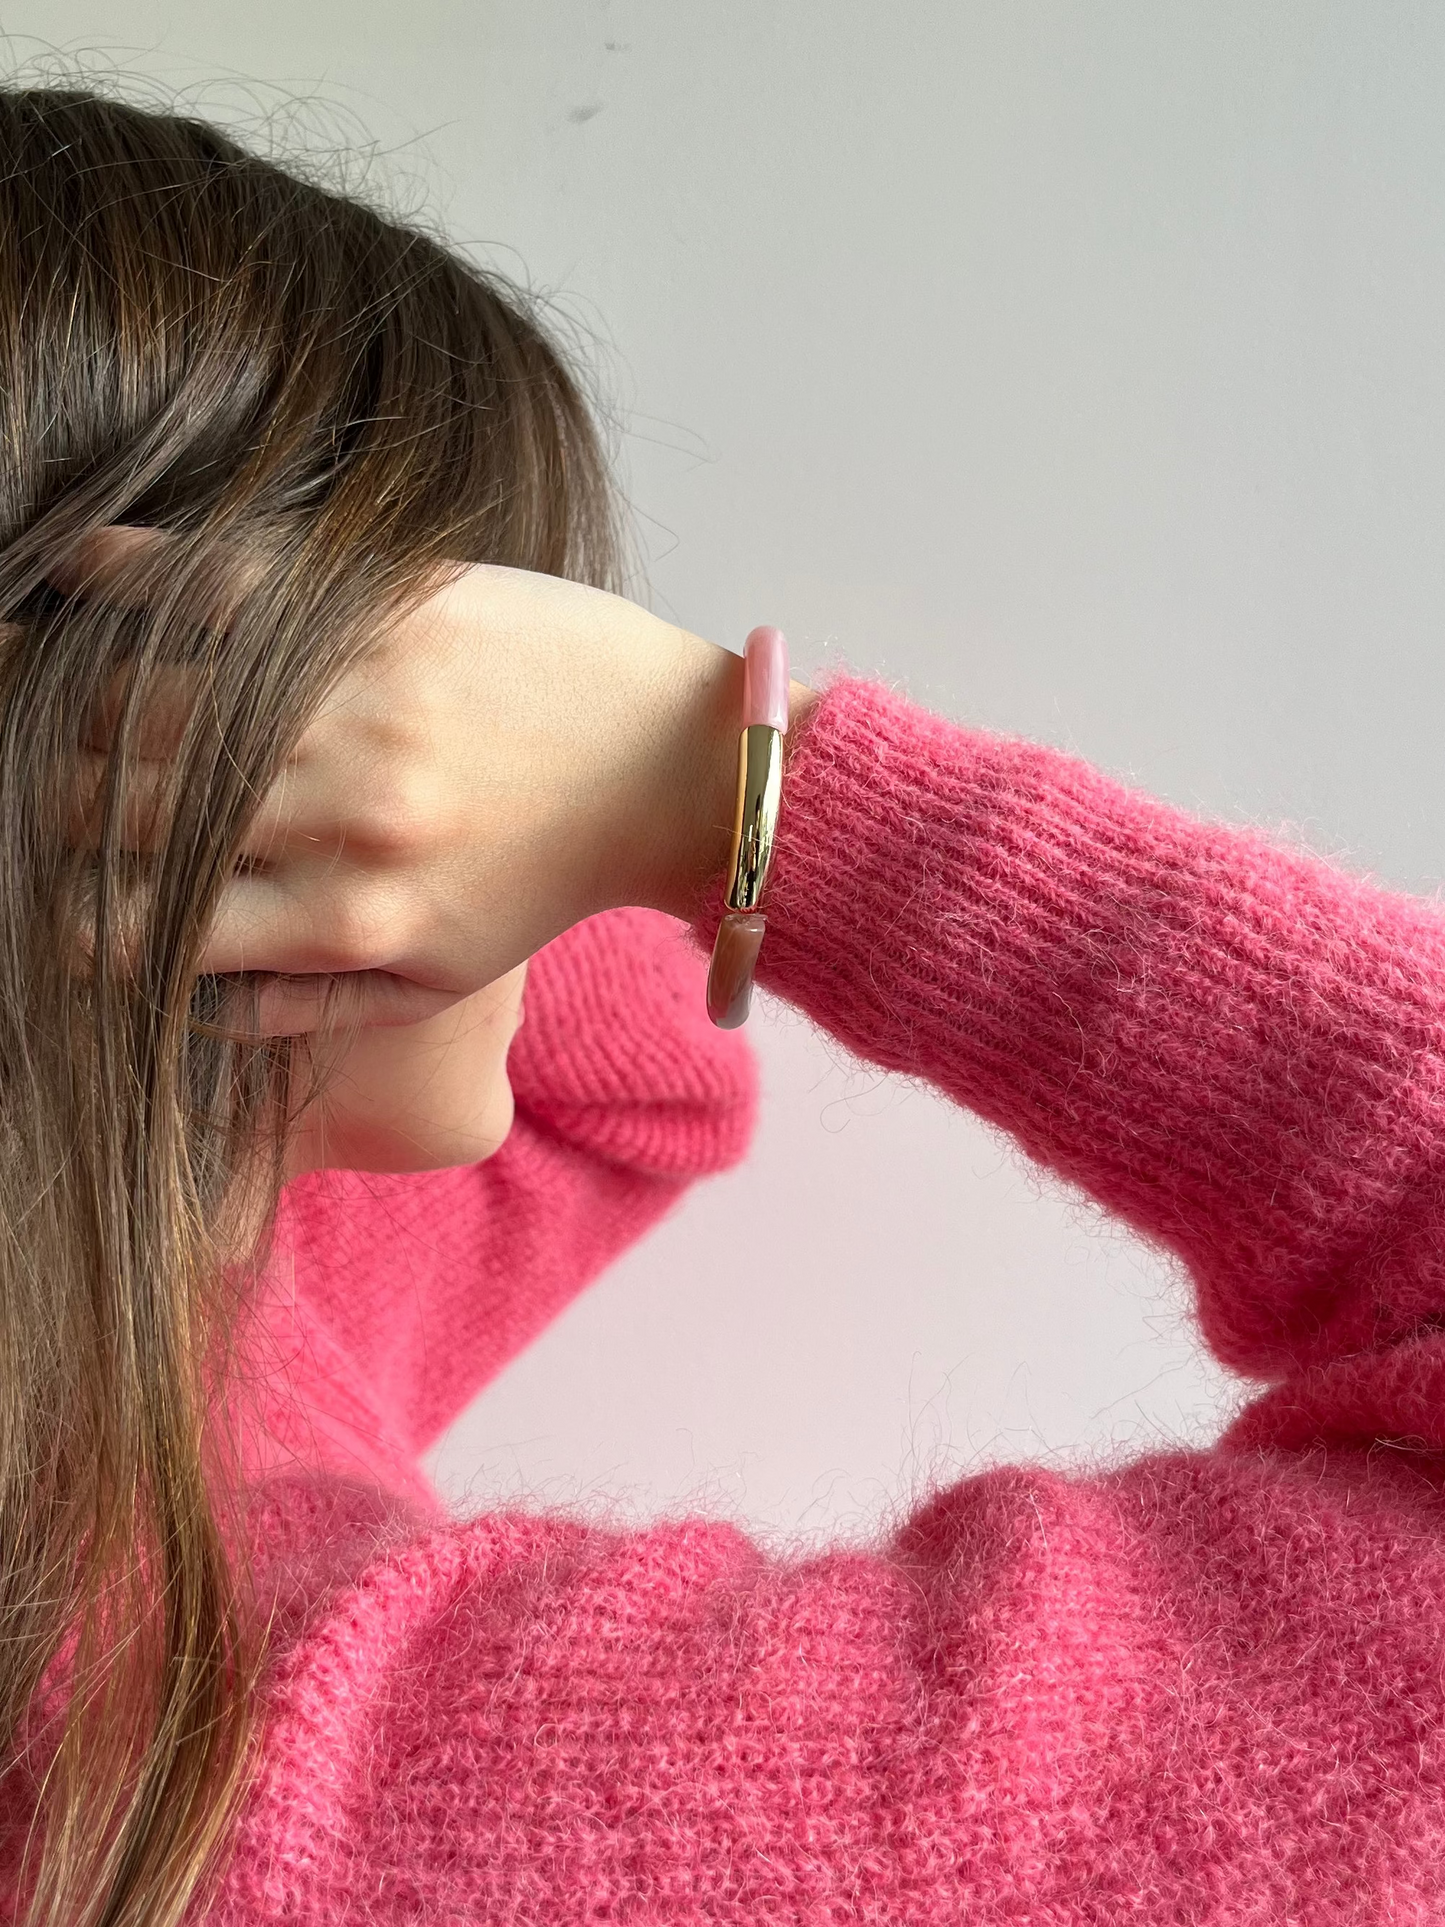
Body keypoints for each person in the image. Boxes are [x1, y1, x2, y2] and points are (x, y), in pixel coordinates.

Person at [0, 79, 1441, 1927]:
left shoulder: (158, 1356)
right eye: (428, 686)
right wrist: (709, 783)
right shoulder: (332, 1785)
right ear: (249, 806)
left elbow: (634, 1093)